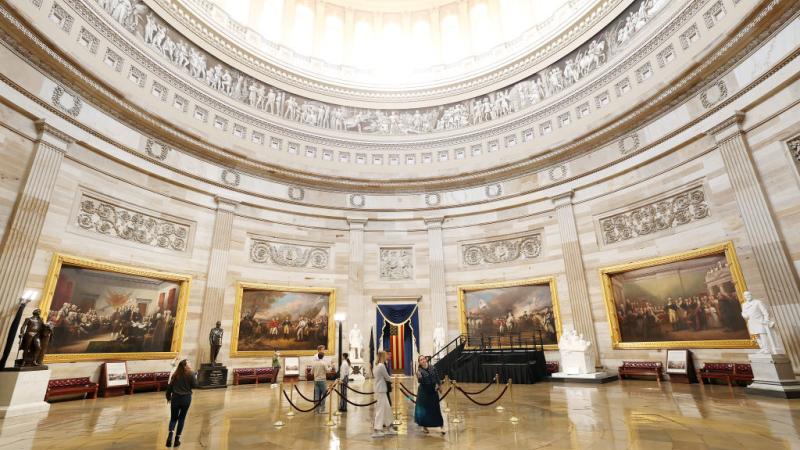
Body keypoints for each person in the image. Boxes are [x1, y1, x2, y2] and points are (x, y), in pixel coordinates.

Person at [166, 359, 198, 447]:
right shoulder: (191, 374)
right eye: (188, 364)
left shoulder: (175, 374)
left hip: (175, 399)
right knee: (181, 418)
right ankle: (177, 440)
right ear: (185, 366)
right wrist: (195, 377)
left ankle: (170, 435)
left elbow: (169, 387)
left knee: (173, 418)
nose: (190, 365)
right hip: (186, 399)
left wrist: (168, 397)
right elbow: (195, 385)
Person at [414, 355, 445, 435]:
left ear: (426, 359)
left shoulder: (432, 367)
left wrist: (440, 386)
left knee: (436, 408)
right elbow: (420, 381)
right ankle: (424, 426)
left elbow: (437, 377)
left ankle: (441, 426)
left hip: (433, 390)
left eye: (424, 359)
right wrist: (419, 377)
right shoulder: (419, 371)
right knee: (425, 410)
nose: (423, 360)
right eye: (421, 360)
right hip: (424, 391)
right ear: (419, 362)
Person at [372, 351, 396, 438]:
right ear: (382, 356)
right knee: (380, 410)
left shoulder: (377, 365)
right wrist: (394, 379)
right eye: (385, 355)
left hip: (381, 390)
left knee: (387, 409)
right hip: (381, 390)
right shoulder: (381, 366)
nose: (387, 356)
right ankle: (377, 429)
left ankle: (389, 427)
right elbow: (387, 377)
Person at [312, 345, 328, 414]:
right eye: (323, 349)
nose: (324, 350)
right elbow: (327, 370)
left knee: (317, 395)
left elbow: (312, 371)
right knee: (323, 395)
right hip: (322, 379)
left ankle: (316, 410)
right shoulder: (322, 361)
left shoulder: (315, 363)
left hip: (316, 379)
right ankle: (322, 409)